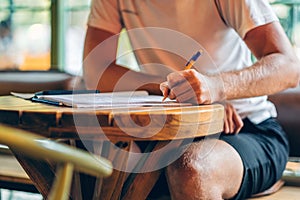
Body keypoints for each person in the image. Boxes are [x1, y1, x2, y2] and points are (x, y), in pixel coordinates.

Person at [83, 0, 300, 199]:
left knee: (191, 169)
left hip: (245, 129)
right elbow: (96, 71)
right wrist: (179, 88)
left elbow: (290, 68)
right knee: (89, 159)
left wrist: (215, 87)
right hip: (165, 130)